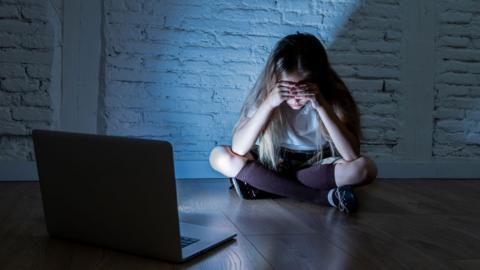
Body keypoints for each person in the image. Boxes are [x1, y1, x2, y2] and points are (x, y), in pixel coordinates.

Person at [209, 32, 378, 214]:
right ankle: (325, 197)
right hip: (273, 161)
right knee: (219, 156)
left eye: (304, 87)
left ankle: (265, 185)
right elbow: (239, 148)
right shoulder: (267, 96)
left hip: (316, 165)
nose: (296, 96)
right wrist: (269, 104)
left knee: (365, 169)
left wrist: (321, 106)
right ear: (276, 80)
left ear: (319, 80)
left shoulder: (334, 98)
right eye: (288, 87)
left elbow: (352, 155)